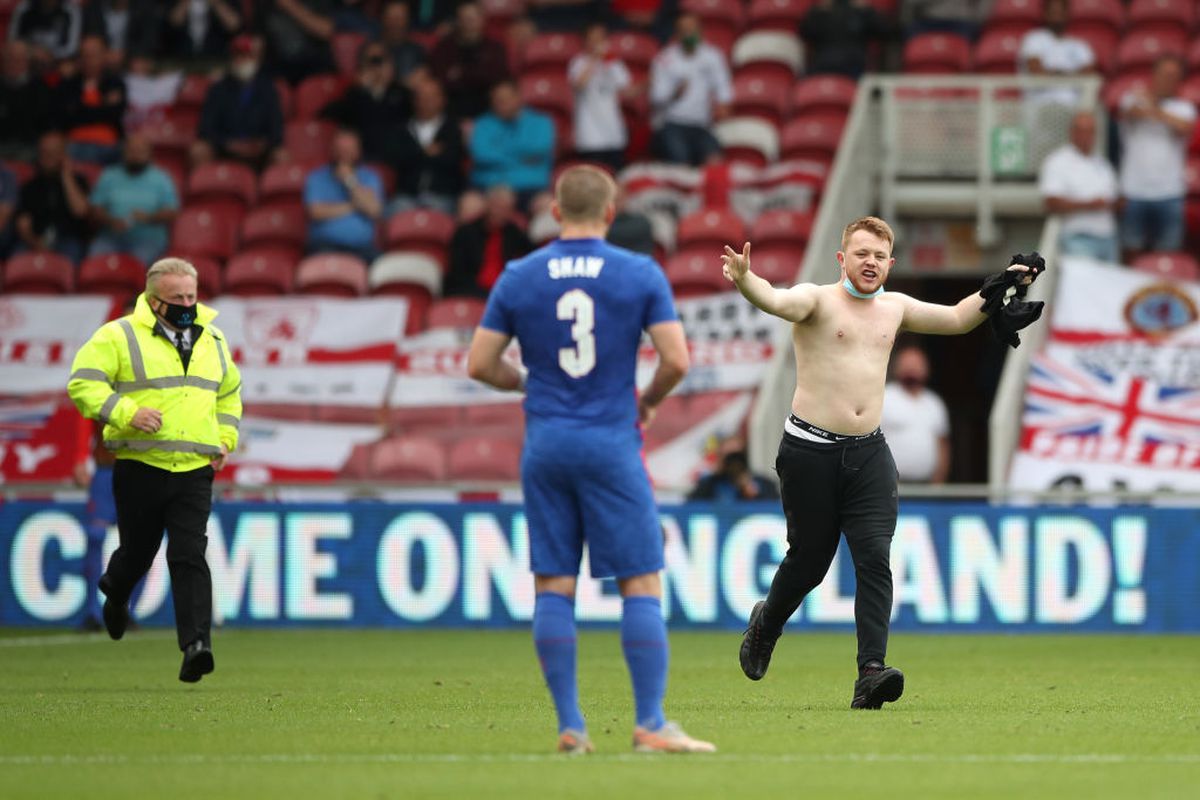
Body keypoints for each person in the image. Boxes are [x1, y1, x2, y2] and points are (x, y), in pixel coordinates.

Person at [726, 216, 1044, 709]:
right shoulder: (816, 299)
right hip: (809, 450)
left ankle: (870, 672)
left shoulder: (894, 307)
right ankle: (766, 624)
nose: (870, 262)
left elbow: (958, 318)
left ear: (890, 264)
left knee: (874, 556)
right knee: (808, 562)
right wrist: (747, 279)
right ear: (842, 259)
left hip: (869, 452)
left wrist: (1006, 281)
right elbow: (776, 299)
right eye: (861, 253)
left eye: (878, 256)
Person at [466, 165, 715, 754]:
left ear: (555, 211)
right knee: (640, 579)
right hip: (610, 441)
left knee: (554, 581)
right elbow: (676, 359)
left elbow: (479, 364)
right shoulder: (638, 272)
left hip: (547, 442)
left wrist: (524, 381)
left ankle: (571, 725)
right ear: (610, 213)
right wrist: (647, 401)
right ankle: (650, 722)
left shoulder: (520, 275)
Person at [67, 257, 242, 683]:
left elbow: (230, 395)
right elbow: (83, 383)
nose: (186, 304)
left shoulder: (213, 339)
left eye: (191, 296)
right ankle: (116, 592)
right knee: (138, 553)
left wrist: (224, 440)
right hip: (140, 465)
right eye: (177, 298)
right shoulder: (118, 336)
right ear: (152, 299)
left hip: (194, 469)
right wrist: (126, 412)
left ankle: (196, 646)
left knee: (188, 554)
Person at [1118, 55, 1197, 260]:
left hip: (1169, 192)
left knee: (1167, 255)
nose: (1168, 80)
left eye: (1173, 76)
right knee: (1131, 251)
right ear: (1154, 75)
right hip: (1134, 190)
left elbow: (1184, 127)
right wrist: (1156, 109)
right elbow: (1130, 112)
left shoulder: (1184, 107)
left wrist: (1155, 109)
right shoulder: (1132, 99)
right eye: (1165, 74)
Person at [648, 13, 732, 166]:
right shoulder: (665, 58)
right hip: (673, 123)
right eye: (684, 30)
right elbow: (656, 97)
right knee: (681, 164)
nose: (688, 34)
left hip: (701, 125)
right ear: (677, 34)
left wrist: (723, 105)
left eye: (692, 30)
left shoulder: (712, 56)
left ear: (700, 31)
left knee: (715, 162)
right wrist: (674, 93)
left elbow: (723, 86)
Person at [1038, 111, 1119, 262]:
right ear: (1072, 132)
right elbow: (1051, 202)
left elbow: (1113, 198)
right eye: (1082, 131)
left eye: (1090, 131)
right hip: (1078, 238)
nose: (1086, 136)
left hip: (1108, 237)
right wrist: (1089, 205)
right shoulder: (1057, 161)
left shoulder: (1102, 163)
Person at [193, 34, 285, 169]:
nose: (241, 61)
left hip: (259, 153)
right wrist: (228, 144)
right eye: (238, 56)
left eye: (247, 56)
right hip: (225, 149)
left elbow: (276, 131)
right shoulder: (218, 89)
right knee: (199, 149)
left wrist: (261, 144)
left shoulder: (268, 90)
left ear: (257, 59)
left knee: (281, 156)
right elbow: (205, 129)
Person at [88, 133, 179, 267]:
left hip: (148, 240)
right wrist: (110, 220)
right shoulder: (109, 175)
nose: (135, 155)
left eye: (140, 151)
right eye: (131, 150)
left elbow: (172, 212)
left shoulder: (161, 178)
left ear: (150, 154)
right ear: (123, 152)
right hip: (111, 237)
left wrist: (149, 217)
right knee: (94, 258)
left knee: (135, 265)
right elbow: (94, 209)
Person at [320, 40, 412, 164]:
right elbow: (325, 114)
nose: (376, 66)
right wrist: (359, 90)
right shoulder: (355, 94)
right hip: (362, 160)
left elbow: (418, 120)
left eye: (380, 60)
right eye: (371, 61)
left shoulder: (402, 94)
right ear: (362, 64)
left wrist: (390, 82)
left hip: (397, 159)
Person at [469, 80, 555, 211]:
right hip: (489, 185)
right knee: (470, 205)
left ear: (519, 97)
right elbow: (481, 154)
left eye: (507, 98)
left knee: (548, 206)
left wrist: (500, 153)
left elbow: (539, 150)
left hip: (530, 187)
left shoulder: (541, 122)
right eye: (498, 100)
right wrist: (521, 158)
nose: (503, 104)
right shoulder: (482, 124)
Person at [304, 128, 384, 260]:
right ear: (332, 151)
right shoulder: (317, 177)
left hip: (362, 248)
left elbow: (374, 211)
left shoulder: (370, 177)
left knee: (384, 268)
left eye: (348, 150)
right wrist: (354, 205)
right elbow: (316, 212)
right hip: (325, 246)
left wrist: (350, 181)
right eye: (339, 149)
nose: (343, 154)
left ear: (358, 152)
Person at [14, 131, 91, 264]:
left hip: (68, 240)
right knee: (16, 260)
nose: (48, 156)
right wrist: (35, 242)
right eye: (44, 152)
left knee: (71, 257)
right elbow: (23, 225)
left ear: (64, 154)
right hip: (35, 239)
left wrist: (66, 175)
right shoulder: (30, 186)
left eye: (54, 152)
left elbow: (80, 211)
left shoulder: (78, 181)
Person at [389, 78, 463, 215]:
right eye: (422, 97)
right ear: (414, 100)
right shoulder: (402, 130)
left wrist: (416, 155)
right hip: (407, 196)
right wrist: (426, 152)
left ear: (442, 99)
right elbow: (398, 160)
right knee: (393, 215)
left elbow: (452, 160)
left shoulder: (452, 129)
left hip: (442, 196)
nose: (427, 101)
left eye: (432, 97)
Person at [444, 185, 532, 298]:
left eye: (504, 209)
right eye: (496, 207)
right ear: (487, 206)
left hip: (504, 289)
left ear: (511, 212)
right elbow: (457, 274)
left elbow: (532, 257)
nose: (499, 212)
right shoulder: (466, 232)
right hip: (471, 290)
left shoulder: (514, 234)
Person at [569, 22, 633, 173]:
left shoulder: (614, 62)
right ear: (585, 41)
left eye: (600, 39)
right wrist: (594, 60)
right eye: (593, 39)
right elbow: (579, 84)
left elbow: (625, 87)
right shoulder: (578, 62)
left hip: (613, 134)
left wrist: (608, 61)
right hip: (590, 136)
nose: (597, 43)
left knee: (614, 180)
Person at [880, 345, 950, 484]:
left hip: (926, 487)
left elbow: (943, 445)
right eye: (907, 365)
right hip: (891, 486)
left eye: (916, 365)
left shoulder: (934, 403)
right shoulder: (884, 397)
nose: (912, 369)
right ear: (896, 368)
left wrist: (939, 483)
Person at [428, 2, 510, 119]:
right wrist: (478, 73)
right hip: (450, 111)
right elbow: (441, 81)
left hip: (488, 110)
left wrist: (461, 73)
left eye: (472, 19)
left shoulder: (495, 48)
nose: (468, 24)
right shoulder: (444, 48)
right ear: (457, 21)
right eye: (464, 19)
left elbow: (496, 79)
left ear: (482, 20)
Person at [54, 35, 127, 166]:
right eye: (84, 55)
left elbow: (115, 113)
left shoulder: (115, 83)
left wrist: (81, 109)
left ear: (104, 56)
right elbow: (66, 116)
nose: (88, 60)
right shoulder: (69, 84)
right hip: (75, 144)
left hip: (110, 145)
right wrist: (103, 107)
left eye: (93, 55)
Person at [800, 0, 893, 78]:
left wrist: (867, 9)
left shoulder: (861, 11)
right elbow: (805, 31)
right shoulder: (822, 12)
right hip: (823, 65)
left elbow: (886, 31)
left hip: (854, 66)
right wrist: (819, 11)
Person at [257, 0, 335, 83]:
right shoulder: (265, 5)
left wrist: (290, 6)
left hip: (315, 70)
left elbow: (327, 30)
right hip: (276, 74)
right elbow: (259, 40)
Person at [687, 434, 780, 502]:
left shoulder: (764, 484)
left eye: (737, 457)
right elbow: (691, 508)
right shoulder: (709, 485)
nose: (734, 463)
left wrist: (754, 493)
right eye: (729, 458)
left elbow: (774, 513)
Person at [0, 41, 49, 158]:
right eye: (9, 59)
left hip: (28, 146)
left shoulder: (39, 87)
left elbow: (43, 121)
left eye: (18, 60)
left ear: (27, 62)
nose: (13, 64)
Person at [82, 0, 162, 61]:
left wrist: (125, 53)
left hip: (130, 58)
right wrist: (105, 53)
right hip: (103, 56)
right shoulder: (96, 7)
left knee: (140, 62)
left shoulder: (143, 9)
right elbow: (91, 35)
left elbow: (148, 40)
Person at [163, 0, 243, 60]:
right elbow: (173, 22)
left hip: (216, 59)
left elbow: (234, 25)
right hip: (181, 58)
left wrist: (216, 3)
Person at [8, 0, 83, 62]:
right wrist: (32, 53)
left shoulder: (71, 10)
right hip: (27, 60)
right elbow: (12, 41)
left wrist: (51, 54)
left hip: (59, 61)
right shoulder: (24, 8)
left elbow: (72, 48)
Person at [379, 0, 427, 84]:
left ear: (407, 20)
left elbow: (420, 79)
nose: (394, 23)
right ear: (383, 19)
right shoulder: (372, 50)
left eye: (399, 18)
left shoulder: (417, 52)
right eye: (390, 18)